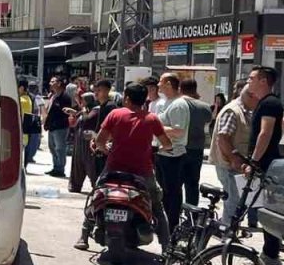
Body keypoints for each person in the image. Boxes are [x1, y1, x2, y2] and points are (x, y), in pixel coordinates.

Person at [75, 82, 173, 251]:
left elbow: (99, 141)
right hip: (142, 172)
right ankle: (166, 247)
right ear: (144, 100)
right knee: (156, 205)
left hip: (113, 169)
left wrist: (107, 151)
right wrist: (155, 149)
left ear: (126, 98)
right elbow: (167, 144)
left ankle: (84, 236)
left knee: (96, 196)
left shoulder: (115, 114)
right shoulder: (151, 119)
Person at [244, 65, 284, 265]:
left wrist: (254, 161)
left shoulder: (269, 104)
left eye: (251, 78)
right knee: (261, 206)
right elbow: (283, 124)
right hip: (265, 162)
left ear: (263, 81)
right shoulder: (267, 103)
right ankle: (270, 252)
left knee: (266, 207)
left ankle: (271, 255)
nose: (248, 81)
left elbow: (265, 133)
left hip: (265, 164)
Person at [211, 85, 256, 222]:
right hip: (229, 166)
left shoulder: (243, 111)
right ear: (251, 96)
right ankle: (226, 234)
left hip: (233, 165)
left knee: (235, 203)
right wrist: (234, 159)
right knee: (233, 203)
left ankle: (228, 231)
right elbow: (223, 137)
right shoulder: (233, 111)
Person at [153, 72, 190, 236]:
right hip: (161, 153)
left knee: (172, 192)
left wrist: (156, 127)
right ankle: (163, 224)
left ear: (169, 84)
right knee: (162, 192)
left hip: (173, 155)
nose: (158, 84)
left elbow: (178, 131)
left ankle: (173, 226)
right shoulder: (164, 102)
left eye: (161, 81)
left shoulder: (179, 105)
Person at [179, 78, 213, 207]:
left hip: (179, 148)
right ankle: (191, 213)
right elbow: (208, 119)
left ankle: (177, 211)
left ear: (180, 88)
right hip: (197, 148)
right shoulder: (204, 106)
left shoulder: (177, 104)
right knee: (192, 183)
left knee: (177, 183)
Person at [42, 76, 72, 177]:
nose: (50, 83)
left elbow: (65, 113)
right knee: (52, 147)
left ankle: (60, 169)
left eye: (53, 81)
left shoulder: (65, 97)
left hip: (60, 128)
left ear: (59, 83)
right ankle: (55, 167)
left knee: (60, 148)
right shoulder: (53, 96)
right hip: (52, 127)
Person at [18, 79, 41, 167]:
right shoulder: (29, 98)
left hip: (21, 132)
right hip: (26, 132)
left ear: (22, 88)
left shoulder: (21, 100)